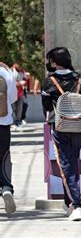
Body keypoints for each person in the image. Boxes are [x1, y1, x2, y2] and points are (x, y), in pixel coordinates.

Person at [41, 48, 81, 221]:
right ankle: (68, 202)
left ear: (54, 62)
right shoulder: (80, 78)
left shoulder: (49, 81)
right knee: (72, 163)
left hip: (59, 126)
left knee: (65, 165)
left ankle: (77, 205)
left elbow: (47, 107)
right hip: (78, 126)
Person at [0, 62, 18, 215]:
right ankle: (6, 189)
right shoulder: (6, 72)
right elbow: (12, 98)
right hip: (2, 124)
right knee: (4, 157)